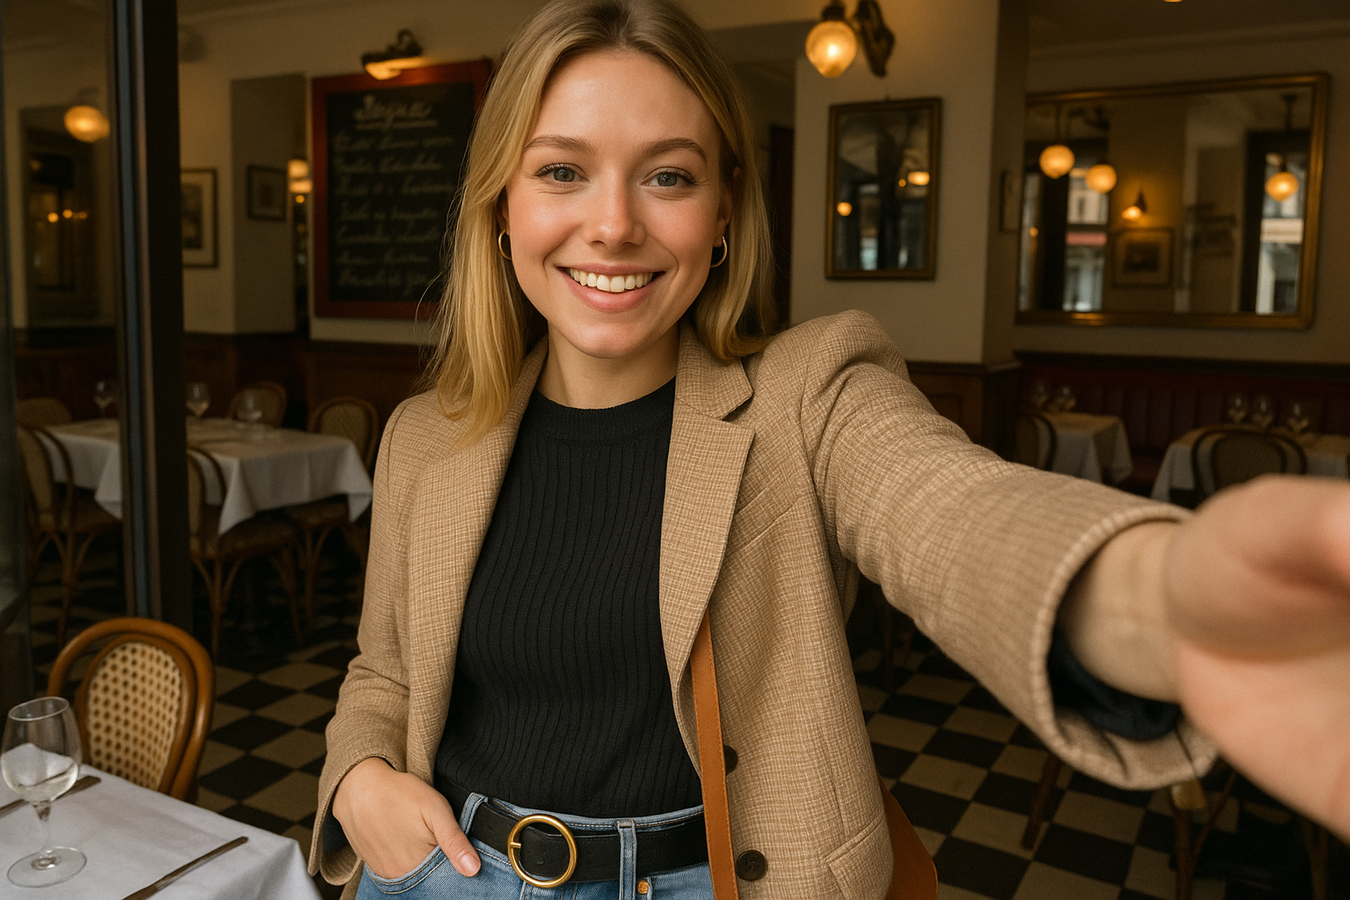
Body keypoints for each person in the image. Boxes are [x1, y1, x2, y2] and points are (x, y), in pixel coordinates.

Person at [311, 0, 1350, 897]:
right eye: (564, 172)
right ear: (503, 208)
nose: (614, 224)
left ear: (723, 215)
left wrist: (1161, 595)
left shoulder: (806, 397)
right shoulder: (425, 439)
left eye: (668, 177)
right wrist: (357, 774)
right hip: (453, 877)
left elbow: (949, 508)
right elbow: (384, 672)